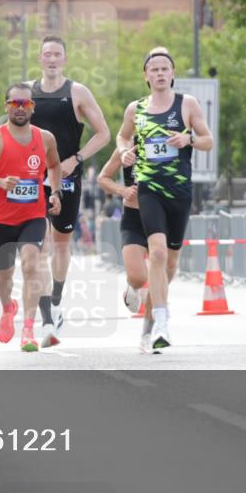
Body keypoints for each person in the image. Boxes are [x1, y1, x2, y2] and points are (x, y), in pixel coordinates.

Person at [116, 46, 214, 351]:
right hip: (149, 189)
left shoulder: (187, 104)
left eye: (164, 69)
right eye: (154, 69)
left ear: (172, 74)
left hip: (180, 193)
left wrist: (190, 140)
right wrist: (124, 151)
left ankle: (149, 323)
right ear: (146, 75)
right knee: (156, 254)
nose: (159, 73)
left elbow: (209, 141)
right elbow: (122, 136)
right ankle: (162, 320)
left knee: (169, 264)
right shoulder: (136, 109)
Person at [28, 35, 111, 344]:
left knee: (61, 246)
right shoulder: (28, 92)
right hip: (32, 180)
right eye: (46, 54)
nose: (51, 59)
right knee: (37, 248)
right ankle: (46, 317)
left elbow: (103, 134)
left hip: (66, 179)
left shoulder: (77, 92)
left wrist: (76, 160)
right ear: (40, 58)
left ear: (64, 59)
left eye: (57, 54)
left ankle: (58, 301)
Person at [0, 83, 62, 352]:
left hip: (33, 215)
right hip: (1, 220)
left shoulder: (45, 138)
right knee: (3, 275)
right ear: (6, 106)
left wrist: (55, 192)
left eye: (25, 103)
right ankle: (9, 307)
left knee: (32, 266)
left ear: (33, 106)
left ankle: (29, 330)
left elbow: (55, 165)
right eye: (15, 104)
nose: (20, 108)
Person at [98, 147, 168, 354]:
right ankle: (132, 286)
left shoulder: (171, 144)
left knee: (160, 277)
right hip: (134, 217)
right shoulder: (127, 149)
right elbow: (103, 178)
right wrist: (122, 190)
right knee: (138, 278)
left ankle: (150, 333)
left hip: (163, 217)